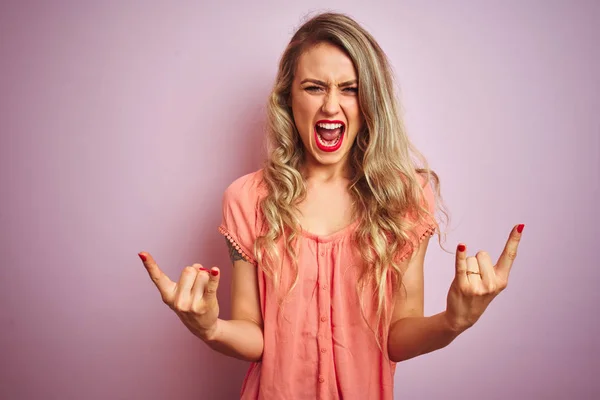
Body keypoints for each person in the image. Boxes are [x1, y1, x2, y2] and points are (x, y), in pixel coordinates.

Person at [138, 11, 524, 400]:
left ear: (370, 99)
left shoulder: (406, 197)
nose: (331, 107)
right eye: (314, 87)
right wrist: (210, 328)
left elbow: (397, 337)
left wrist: (454, 322)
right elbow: (254, 336)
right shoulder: (246, 199)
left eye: (350, 89)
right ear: (289, 97)